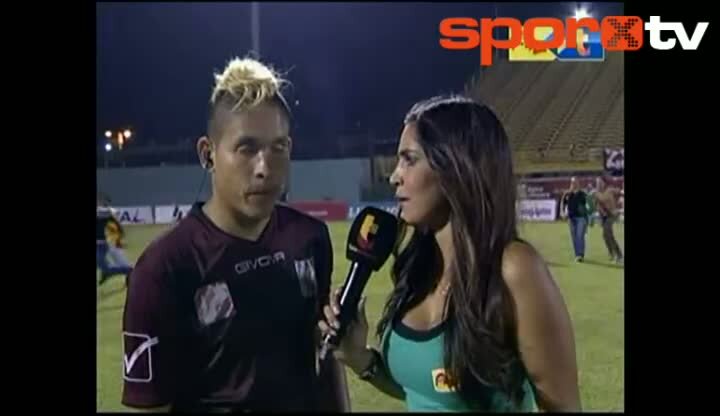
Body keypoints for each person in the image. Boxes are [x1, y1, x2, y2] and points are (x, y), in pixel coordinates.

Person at [319, 95, 581, 412]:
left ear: (455, 167)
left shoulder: (513, 269)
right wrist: (361, 359)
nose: (394, 176)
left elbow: (564, 407)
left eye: (409, 160)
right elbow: (426, 389)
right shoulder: (418, 266)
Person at [121, 57, 350, 412]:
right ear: (208, 154)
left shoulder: (310, 238)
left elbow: (326, 355)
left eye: (278, 147)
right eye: (247, 148)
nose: (264, 168)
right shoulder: (163, 269)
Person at [97, 195, 133, 285]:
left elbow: (113, 212)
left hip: (106, 243)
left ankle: (131, 271)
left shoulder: (104, 214)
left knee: (116, 264)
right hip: (105, 243)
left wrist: (119, 239)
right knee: (106, 266)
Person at [594, 175, 624, 264]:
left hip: (612, 215)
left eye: (600, 182)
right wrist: (599, 216)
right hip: (604, 216)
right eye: (597, 183)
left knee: (608, 233)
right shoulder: (596, 194)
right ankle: (612, 254)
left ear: (604, 183)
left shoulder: (610, 190)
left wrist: (619, 203)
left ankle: (619, 255)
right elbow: (597, 205)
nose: (598, 184)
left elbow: (620, 192)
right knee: (605, 236)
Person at [560, 177, 589, 262]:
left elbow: (588, 206)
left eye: (575, 182)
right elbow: (563, 203)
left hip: (581, 218)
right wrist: (562, 212)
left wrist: (587, 219)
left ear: (578, 183)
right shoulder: (567, 194)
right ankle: (577, 255)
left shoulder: (583, 194)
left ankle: (580, 255)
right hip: (571, 218)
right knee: (574, 237)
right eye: (572, 182)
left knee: (579, 236)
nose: (574, 184)